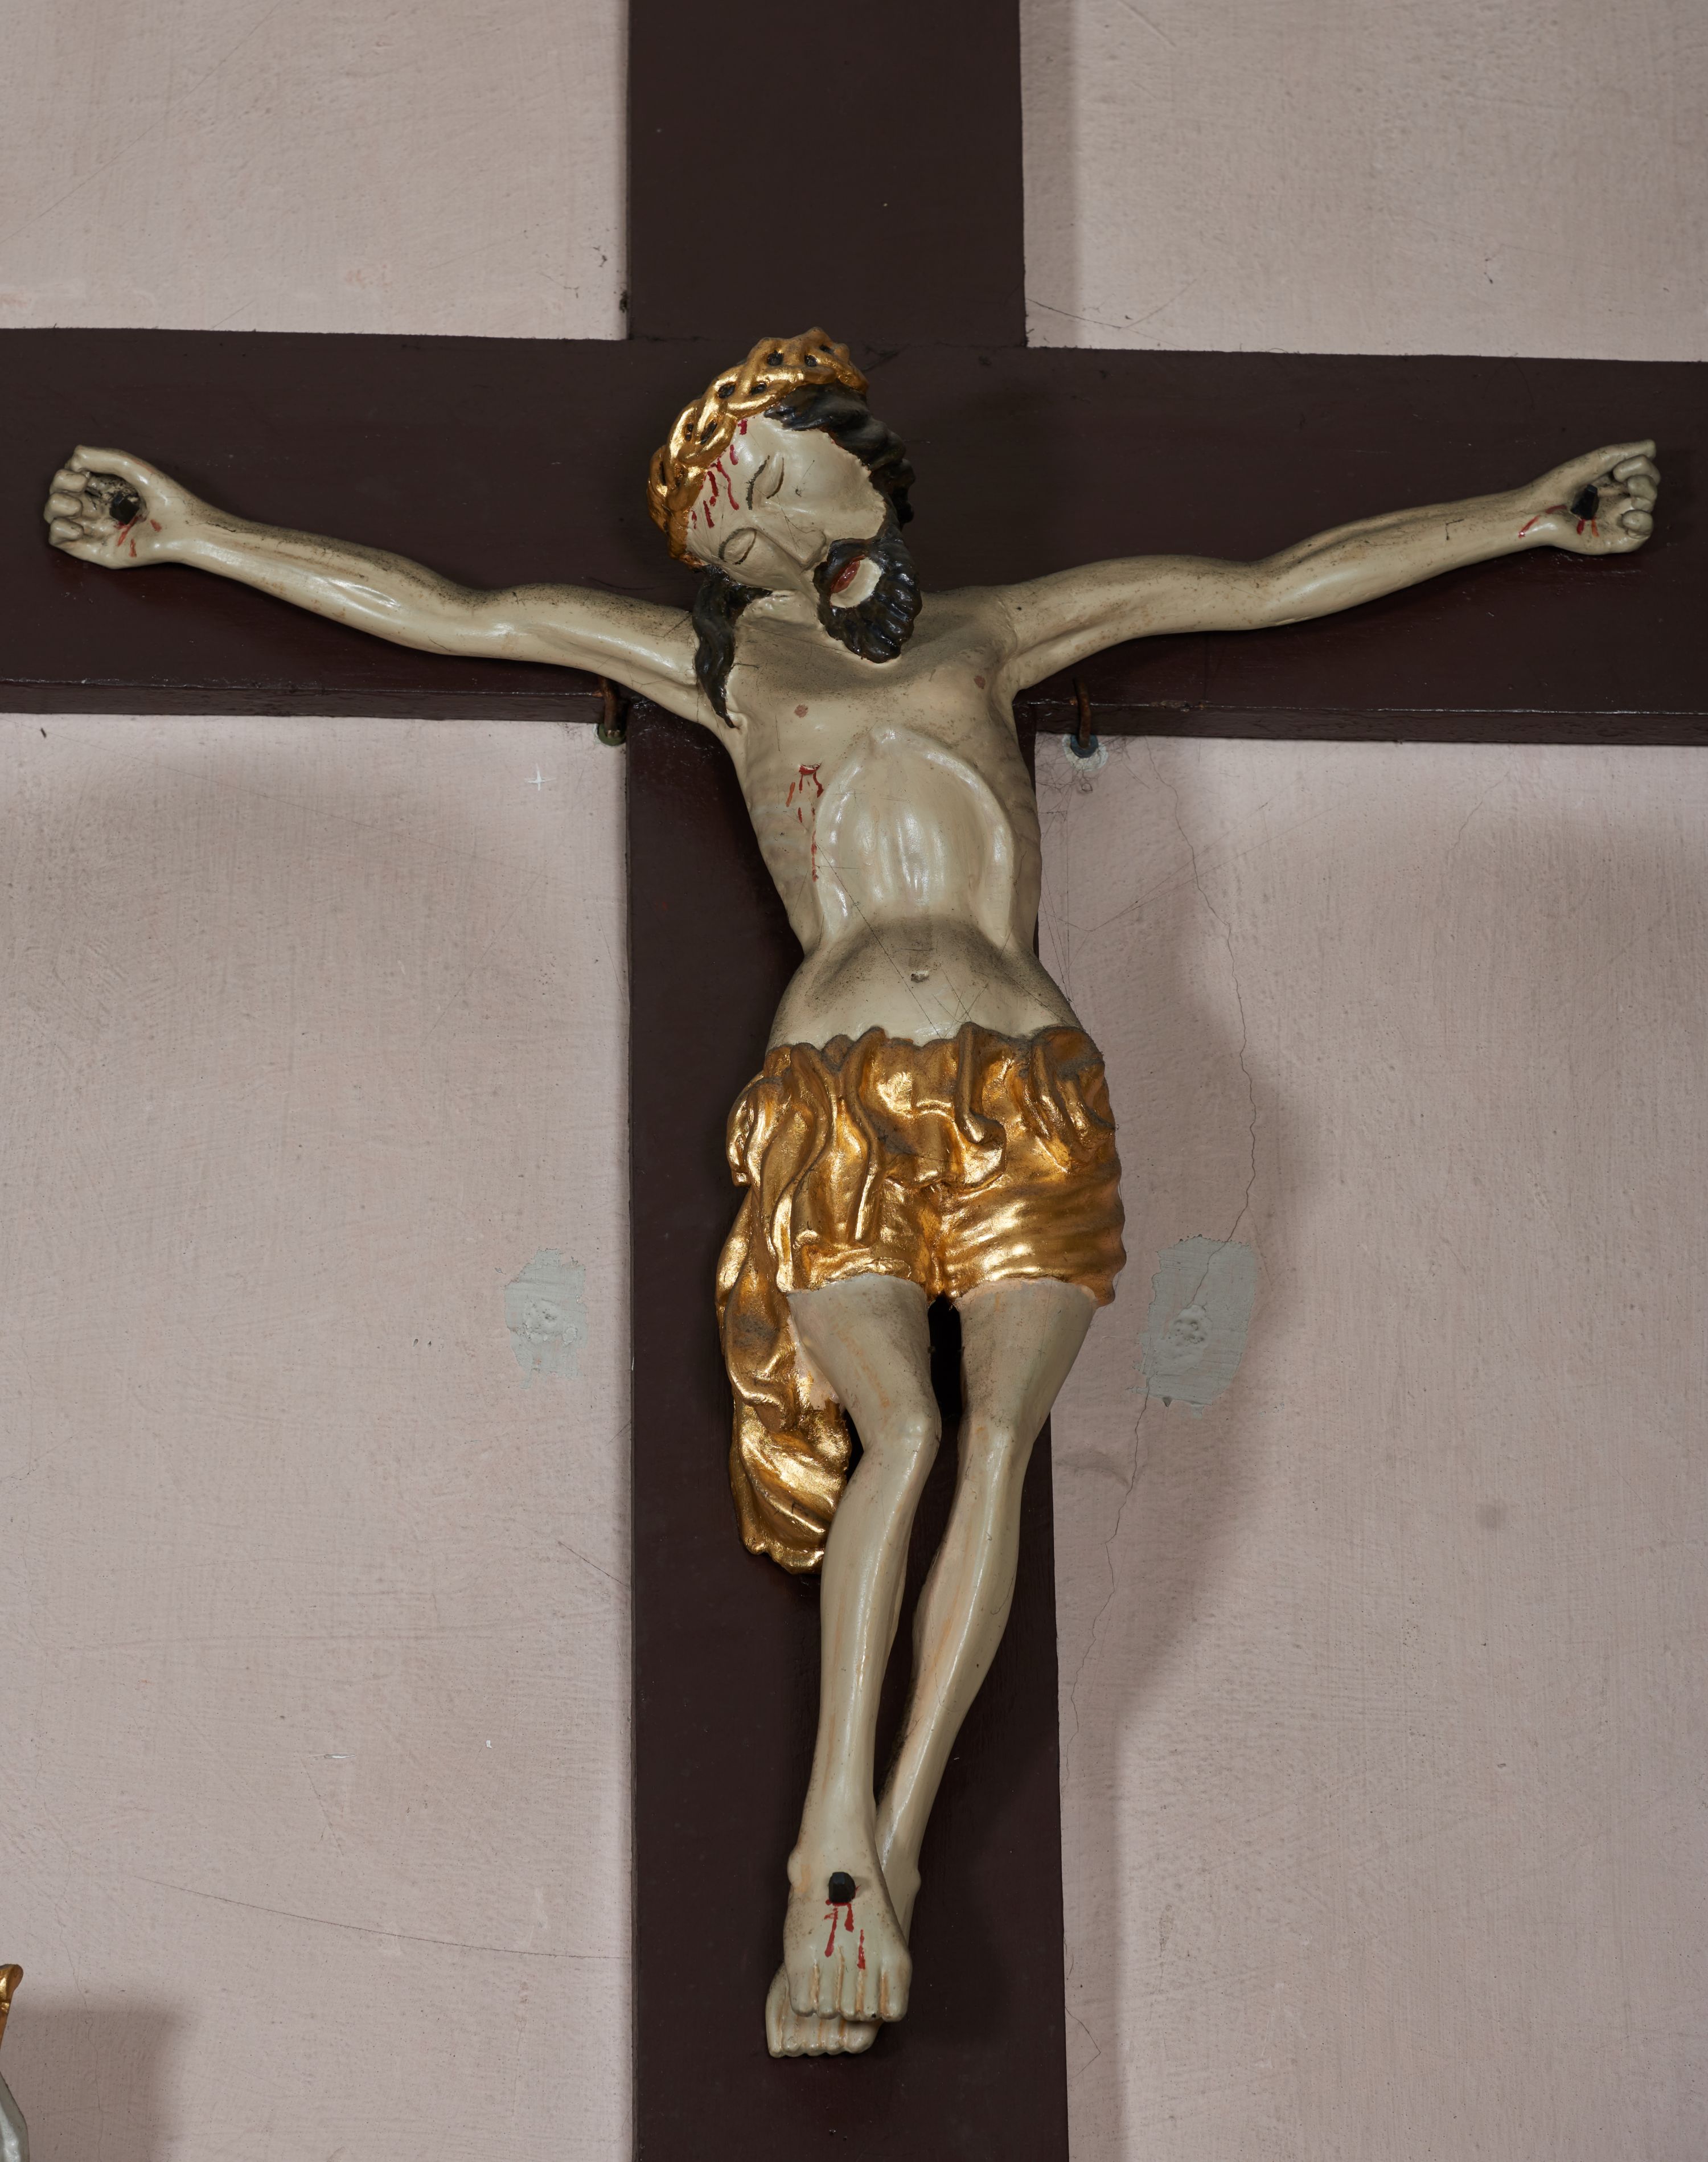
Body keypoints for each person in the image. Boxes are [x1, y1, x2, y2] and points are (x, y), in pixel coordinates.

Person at [43, 330, 1661, 2057]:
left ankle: (889, 1851)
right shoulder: (720, 664)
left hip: (1025, 1081)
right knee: (904, 1431)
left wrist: (1525, 517)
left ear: (849, 465)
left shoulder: (992, 629)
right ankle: (832, 1833)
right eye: (716, 513)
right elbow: (467, 614)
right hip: (833, 1096)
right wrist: (195, 537)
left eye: (756, 476)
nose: (739, 519)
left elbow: (1259, 588)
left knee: (998, 1441)